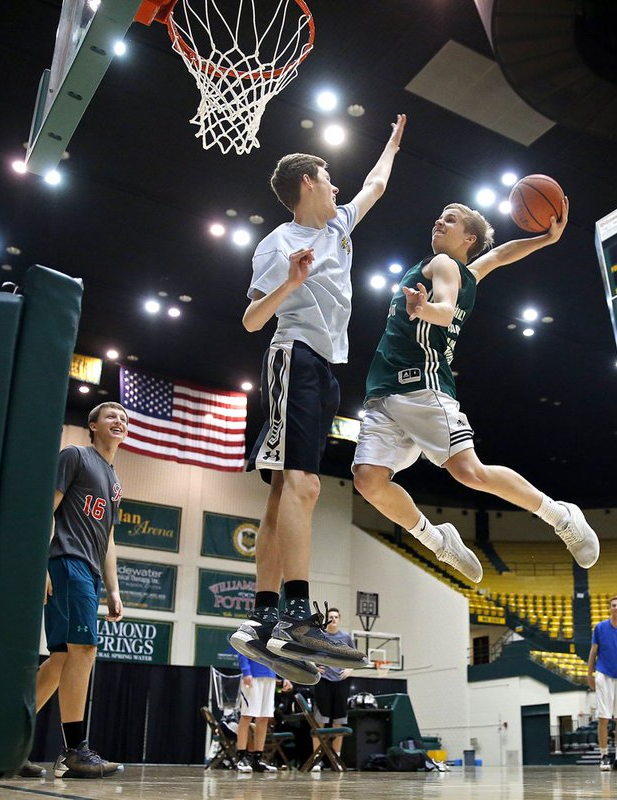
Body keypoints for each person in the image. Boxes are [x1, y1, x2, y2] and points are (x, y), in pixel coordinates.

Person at [230, 115, 407, 679]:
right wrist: (290, 282)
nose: (338, 187)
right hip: (292, 357)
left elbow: (375, 185)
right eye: (330, 179)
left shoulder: (339, 229)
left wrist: (393, 143)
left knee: (283, 491)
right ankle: (297, 617)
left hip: (326, 369)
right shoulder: (277, 244)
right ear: (308, 182)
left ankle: (262, 619)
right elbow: (253, 321)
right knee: (303, 486)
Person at [351, 199, 599, 584]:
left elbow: (446, 310)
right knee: (368, 480)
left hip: (422, 386)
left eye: (449, 219)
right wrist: (545, 240)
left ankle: (561, 517)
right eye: (439, 214)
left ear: (468, 238)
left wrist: (422, 310)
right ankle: (438, 541)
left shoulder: (444, 265)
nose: (439, 219)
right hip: (384, 392)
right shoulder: (466, 270)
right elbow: (499, 254)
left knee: (469, 472)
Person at [21, 402, 128, 779]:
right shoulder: (75, 456)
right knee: (84, 650)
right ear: (93, 425)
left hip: (91, 572)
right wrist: (40, 562)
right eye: (111, 415)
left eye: (124, 417)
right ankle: (74, 751)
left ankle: (6, 738)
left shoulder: (114, 480)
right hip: (66, 561)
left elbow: (109, 538)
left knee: (63, 658)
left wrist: (113, 589)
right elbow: (45, 510)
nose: (120, 420)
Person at [586, 596, 617, 771]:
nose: (616, 608)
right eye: (613, 605)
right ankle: (604, 756)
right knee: (604, 717)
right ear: (609, 608)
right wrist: (589, 674)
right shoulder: (600, 628)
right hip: (603, 675)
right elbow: (593, 652)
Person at [309, 608, 355, 771]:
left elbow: (355, 658)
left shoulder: (346, 638)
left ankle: (336, 757)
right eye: (330, 617)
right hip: (323, 681)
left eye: (336, 617)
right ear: (326, 620)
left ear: (339, 619)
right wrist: (314, 667)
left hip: (341, 682)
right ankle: (317, 758)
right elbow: (308, 655)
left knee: (339, 721)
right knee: (320, 720)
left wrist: (349, 670)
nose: (333, 619)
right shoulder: (318, 637)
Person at [234, 652, 292, 773]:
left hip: (270, 676)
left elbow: (279, 653)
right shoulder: (251, 632)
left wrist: (284, 676)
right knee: (247, 716)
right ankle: (241, 758)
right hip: (253, 676)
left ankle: (258, 759)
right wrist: (246, 671)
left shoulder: (275, 633)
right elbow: (241, 648)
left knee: (264, 718)